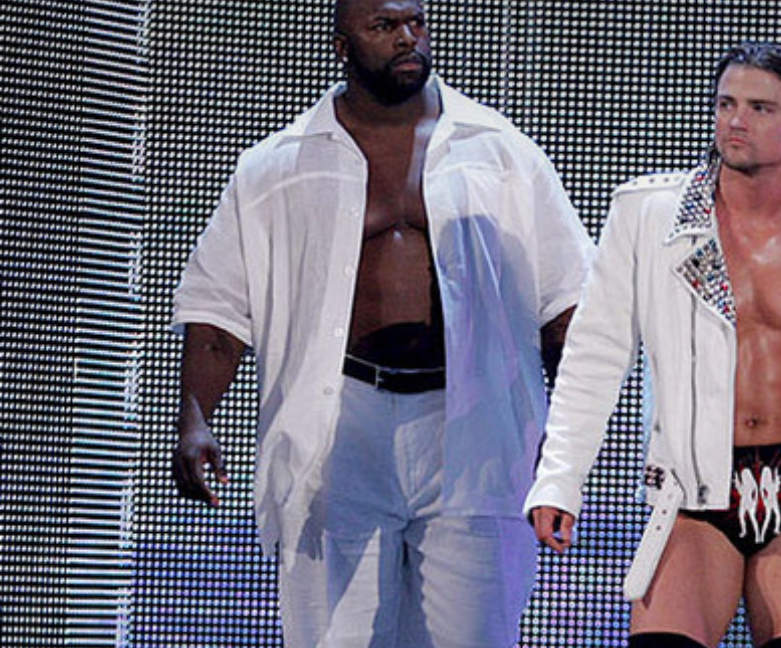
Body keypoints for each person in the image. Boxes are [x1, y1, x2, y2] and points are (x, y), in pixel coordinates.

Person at [169, 0, 593, 645]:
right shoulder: (276, 166)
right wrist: (195, 417)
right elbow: (217, 316)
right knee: (334, 635)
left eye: (416, 22)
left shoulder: (501, 152)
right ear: (342, 45)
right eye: (384, 26)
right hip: (340, 420)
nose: (407, 38)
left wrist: (565, 441)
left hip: (475, 425)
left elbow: (566, 308)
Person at [525, 42, 781, 648]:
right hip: (694, 494)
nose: (735, 120)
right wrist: (560, 480)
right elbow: (595, 355)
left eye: (759, 108)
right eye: (726, 104)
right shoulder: (651, 215)